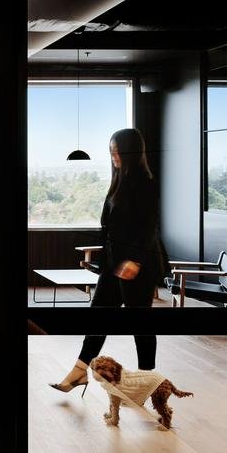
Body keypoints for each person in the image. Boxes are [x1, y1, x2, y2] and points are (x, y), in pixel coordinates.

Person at [50, 128, 167, 393]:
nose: (113, 155)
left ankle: (147, 382)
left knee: (141, 325)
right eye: (111, 150)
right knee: (98, 318)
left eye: (117, 150)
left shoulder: (145, 182)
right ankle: (79, 372)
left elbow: (150, 228)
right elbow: (109, 228)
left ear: (131, 152)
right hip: (115, 264)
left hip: (136, 266)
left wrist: (134, 260)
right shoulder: (118, 181)